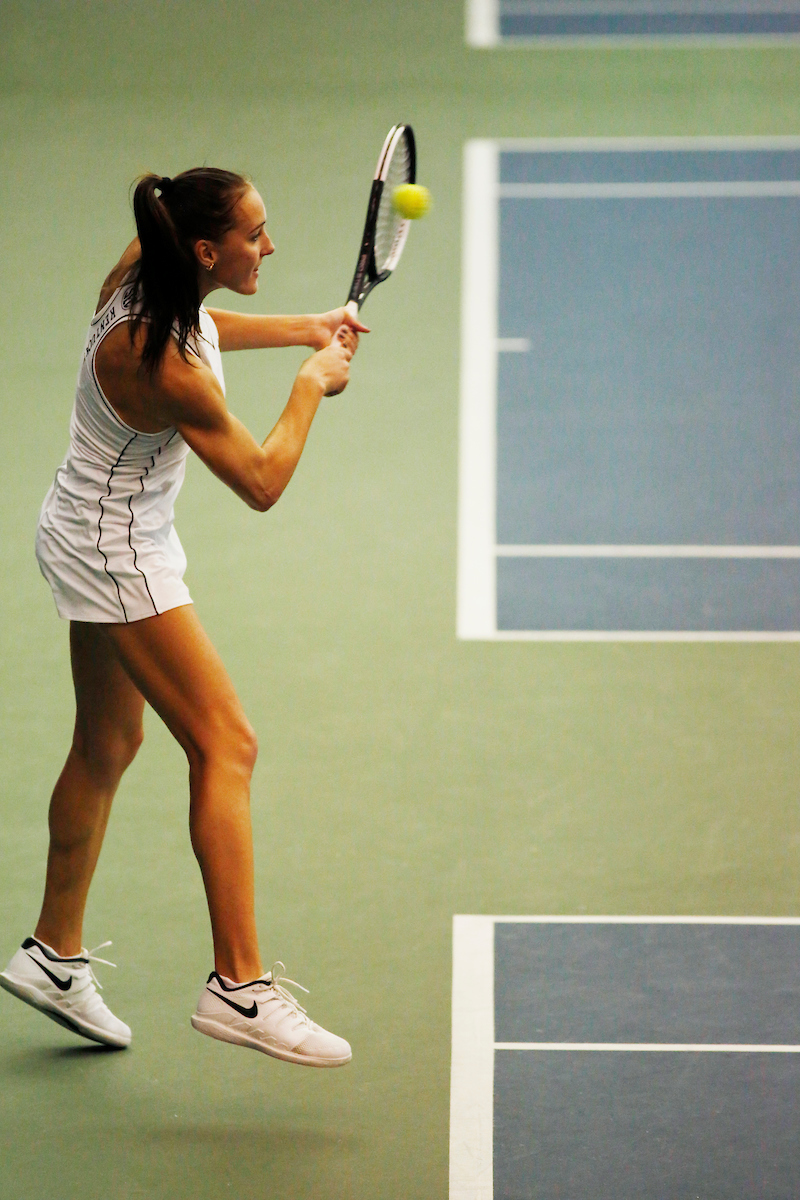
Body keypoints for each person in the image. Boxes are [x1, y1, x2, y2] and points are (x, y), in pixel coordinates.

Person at [0, 167, 367, 1068]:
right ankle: (239, 986)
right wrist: (310, 384)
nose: (269, 247)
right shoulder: (163, 366)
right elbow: (261, 481)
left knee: (106, 745)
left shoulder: (146, 268)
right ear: (206, 250)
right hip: (118, 552)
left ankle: (53, 953)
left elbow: (207, 325)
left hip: (81, 522)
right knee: (226, 745)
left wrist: (304, 328)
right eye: (255, 234)